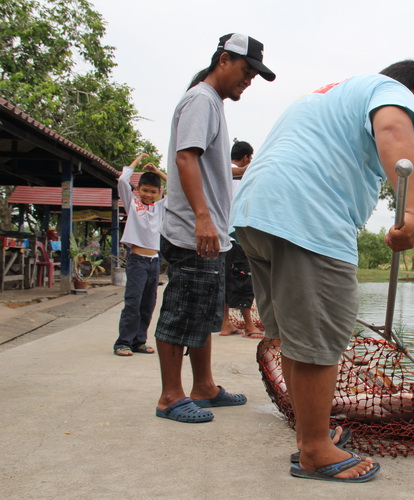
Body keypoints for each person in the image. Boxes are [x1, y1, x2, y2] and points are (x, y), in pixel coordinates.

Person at [230, 60, 414, 482]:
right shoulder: (391, 92)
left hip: (257, 213)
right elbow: (396, 132)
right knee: (319, 339)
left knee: (294, 336)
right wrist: (413, 213)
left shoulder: (329, 95)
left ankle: (312, 434)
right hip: (306, 215)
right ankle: (314, 450)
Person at [153, 33, 275, 423]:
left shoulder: (212, 103)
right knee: (181, 309)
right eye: (246, 70)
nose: (249, 79)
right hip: (193, 230)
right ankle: (170, 396)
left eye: (255, 74)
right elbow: (186, 157)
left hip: (212, 234)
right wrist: (203, 217)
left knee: (203, 310)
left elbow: (209, 165)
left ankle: (203, 386)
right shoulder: (201, 99)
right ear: (224, 59)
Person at [113, 153, 166, 357]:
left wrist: (157, 172)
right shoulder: (132, 204)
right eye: (144, 190)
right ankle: (123, 342)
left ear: (159, 193)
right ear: (137, 189)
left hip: (154, 261)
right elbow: (122, 180)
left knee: (148, 304)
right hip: (137, 260)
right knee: (133, 301)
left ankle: (139, 341)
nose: (148, 195)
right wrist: (137, 162)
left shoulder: (160, 207)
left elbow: (178, 189)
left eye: (153, 192)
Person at [217, 140, 263, 338]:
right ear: (246, 157)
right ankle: (249, 325)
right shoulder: (240, 175)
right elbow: (243, 207)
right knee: (244, 278)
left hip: (221, 236)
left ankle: (225, 322)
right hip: (235, 236)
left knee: (226, 279)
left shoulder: (220, 172)